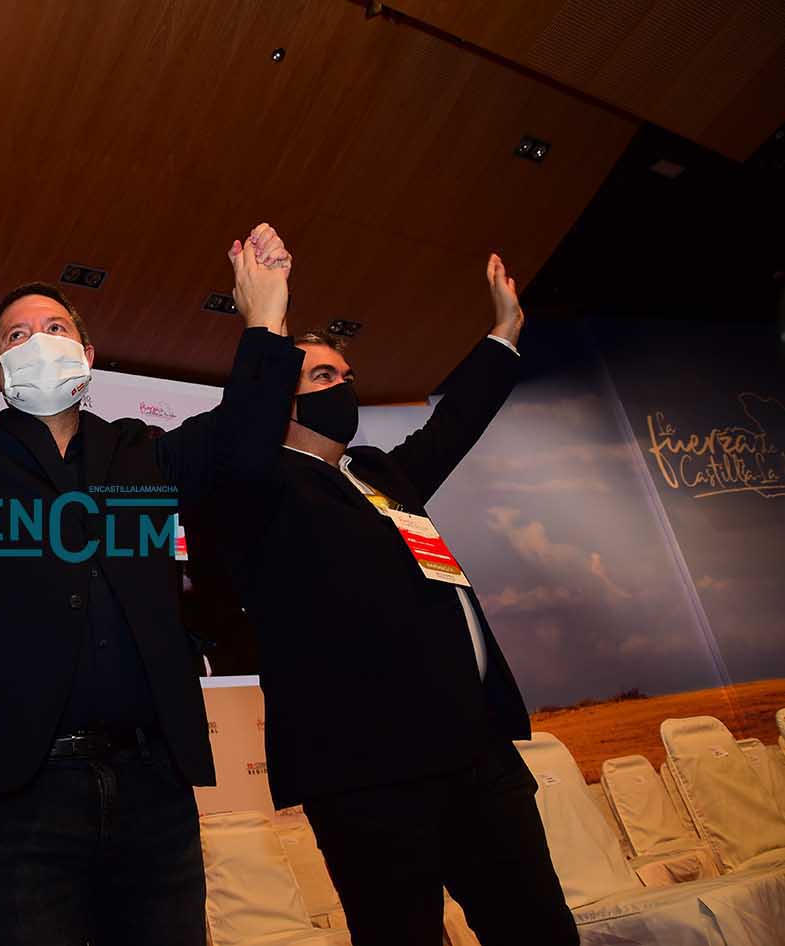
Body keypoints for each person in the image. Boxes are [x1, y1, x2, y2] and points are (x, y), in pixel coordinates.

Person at [0, 209, 302, 945]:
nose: (39, 342)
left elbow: (245, 442)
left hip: (153, 789)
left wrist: (264, 319)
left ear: (87, 354)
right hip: (12, 800)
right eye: (17, 335)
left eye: (55, 328)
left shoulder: (143, 455)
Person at [211, 255, 578, 946]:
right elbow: (236, 446)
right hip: (368, 776)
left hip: (475, 752)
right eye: (323, 377)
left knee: (539, 929)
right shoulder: (258, 491)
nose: (343, 387)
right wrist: (264, 323)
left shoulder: (379, 474)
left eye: (345, 376)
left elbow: (455, 424)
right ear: (277, 398)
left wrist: (503, 333)